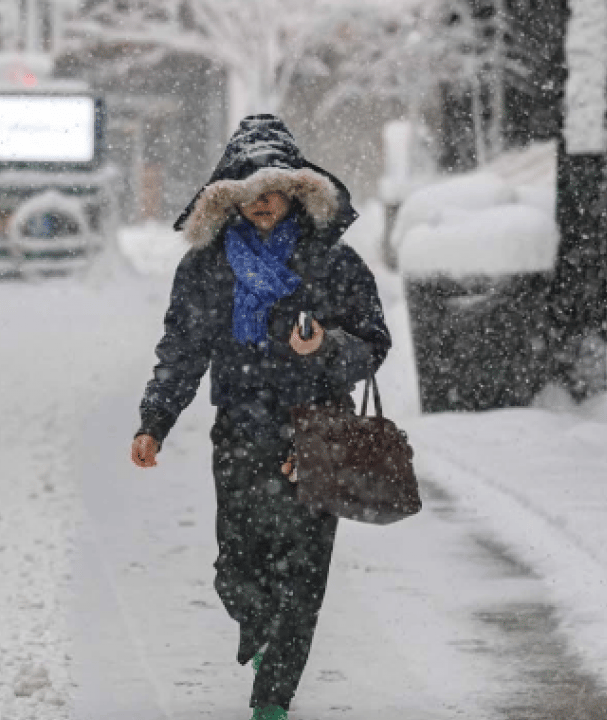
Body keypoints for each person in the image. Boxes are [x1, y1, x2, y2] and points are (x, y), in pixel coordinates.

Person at [129, 115, 391, 720]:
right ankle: (264, 632)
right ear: (230, 196)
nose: (263, 201)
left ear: (297, 189)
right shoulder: (206, 267)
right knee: (237, 569)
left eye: (274, 188)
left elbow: (373, 346)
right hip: (241, 432)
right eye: (249, 191)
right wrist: (154, 420)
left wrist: (324, 344)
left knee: (303, 583)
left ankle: (272, 700)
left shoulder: (335, 264)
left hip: (319, 430)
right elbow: (182, 350)